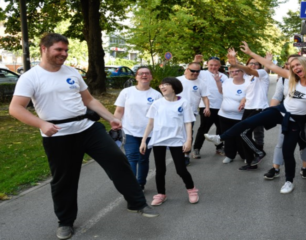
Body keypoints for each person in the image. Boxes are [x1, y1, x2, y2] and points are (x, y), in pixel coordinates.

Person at [9, 33, 158, 240]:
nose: (64, 54)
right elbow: (16, 108)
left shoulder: (71, 72)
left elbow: (89, 100)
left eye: (66, 50)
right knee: (65, 180)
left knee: (117, 159)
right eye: (59, 50)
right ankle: (65, 222)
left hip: (87, 128)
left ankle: (137, 203)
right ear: (44, 48)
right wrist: (42, 123)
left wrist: (110, 118)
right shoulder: (30, 77)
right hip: (58, 135)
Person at [205, 41, 306, 194]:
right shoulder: (291, 77)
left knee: (287, 151)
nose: (294, 68)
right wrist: (250, 53)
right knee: (248, 122)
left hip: (296, 120)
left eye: (297, 65)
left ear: (305, 65)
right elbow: (271, 66)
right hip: (280, 110)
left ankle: (289, 181)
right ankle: (220, 138)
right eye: (292, 66)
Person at [264, 54, 306, 180]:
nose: (292, 67)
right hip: (288, 115)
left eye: (295, 64)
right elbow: (277, 96)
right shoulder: (284, 78)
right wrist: (271, 112)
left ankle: (305, 168)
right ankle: (276, 168)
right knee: (281, 142)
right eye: (289, 64)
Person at [140, 77, 199, 206]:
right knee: (160, 170)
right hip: (159, 140)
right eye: (161, 85)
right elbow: (150, 123)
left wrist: (188, 140)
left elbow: (188, 123)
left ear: (174, 87)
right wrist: (144, 140)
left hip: (177, 140)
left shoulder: (183, 103)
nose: (162, 87)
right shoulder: (157, 103)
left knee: (180, 169)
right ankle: (161, 194)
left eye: (166, 84)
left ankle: (192, 190)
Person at [114, 66, 162, 191]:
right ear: (136, 76)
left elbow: (159, 116)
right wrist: (116, 123)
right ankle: (132, 185)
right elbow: (119, 111)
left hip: (148, 133)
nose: (144, 75)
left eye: (147, 73)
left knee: (143, 159)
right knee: (131, 157)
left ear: (151, 77)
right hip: (129, 131)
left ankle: (141, 183)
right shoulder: (126, 92)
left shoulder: (157, 95)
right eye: (141, 73)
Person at [227, 48, 270, 170]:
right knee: (243, 134)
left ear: (260, 66)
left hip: (258, 109)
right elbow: (249, 91)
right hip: (248, 108)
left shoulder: (262, 74)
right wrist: (243, 100)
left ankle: (259, 152)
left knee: (243, 133)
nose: (253, 65)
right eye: (251, 63)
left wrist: (267, 63)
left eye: (256, 63)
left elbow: (251, 70)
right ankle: (251, 162)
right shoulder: (248, 78)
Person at [192, 55, 228, 159]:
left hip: (221, 106)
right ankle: (196, 149)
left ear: (219, 65)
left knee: (221, 129)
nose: (213, 67)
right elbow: (190, 71)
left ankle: (219, 147)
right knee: (204, 129)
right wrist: (196, 61)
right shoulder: (201, 73)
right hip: (206, 106)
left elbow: (226, 90)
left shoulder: (223, 76)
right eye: (211, 65)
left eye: (216, 65)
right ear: (207, 64)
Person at [177, 62, 211, 165]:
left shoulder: (201, 83)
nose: (195, 73)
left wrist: (207, 108)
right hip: (175, 112)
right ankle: (178, 153)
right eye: (193, 71)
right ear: (187, 69)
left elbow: (205, 97)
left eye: (197, 71)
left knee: (188, 133)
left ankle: (186, 154)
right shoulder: (177, 80)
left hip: (191, 113)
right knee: (178, 133)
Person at [218, 66, 249, 163]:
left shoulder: (248, 83)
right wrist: (217, 82)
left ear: (242, 72)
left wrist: (244, 101)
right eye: (232, 71)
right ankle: (230, 155)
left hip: (240, 116)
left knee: (241, 137)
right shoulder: (227, 81)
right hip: (224, 115)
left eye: (237, 71)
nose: (234, 73)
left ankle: (245, 156)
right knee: (228, 137)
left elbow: (251, 96)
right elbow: (222, 92)